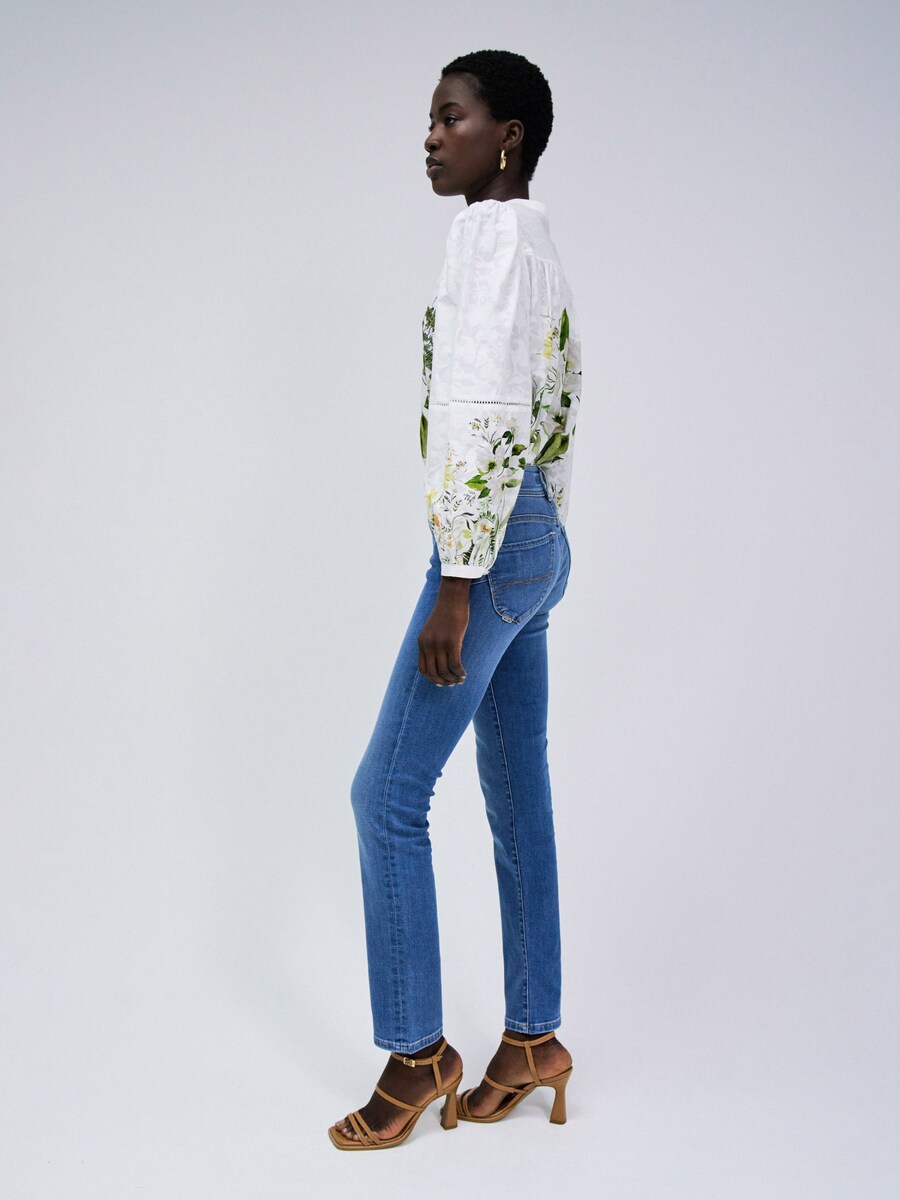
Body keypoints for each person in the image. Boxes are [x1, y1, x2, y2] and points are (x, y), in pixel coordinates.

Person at [328, 49, 583, 1151]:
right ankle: (532, 1039)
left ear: (508, 135)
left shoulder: (487, 241)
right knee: (517, 792)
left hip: (486, 555)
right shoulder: (536, 240)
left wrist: (461, 582)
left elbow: (485, 410)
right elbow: (557, 396)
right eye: (431, 121)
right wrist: (535, 540)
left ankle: (415, 1053)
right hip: (535, 538)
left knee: (385, 796)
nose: (431, 139)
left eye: (452, 118)